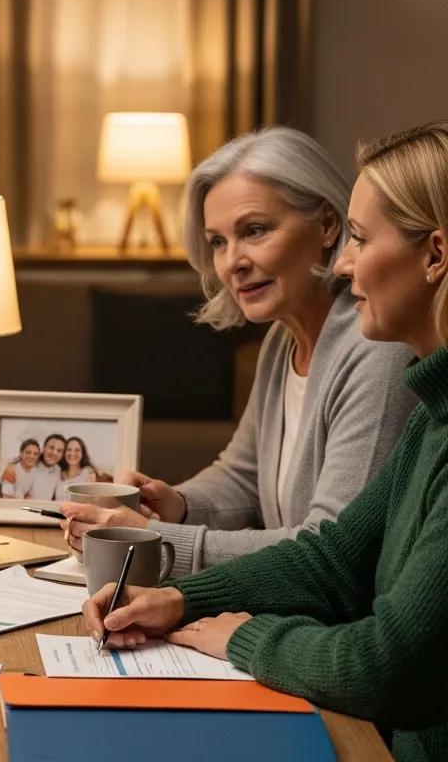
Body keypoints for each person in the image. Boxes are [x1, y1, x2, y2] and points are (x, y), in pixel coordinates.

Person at [85, 120, 448, 762]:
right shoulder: (437, 405)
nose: (348, 268)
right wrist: (179, 598)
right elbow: (331, 554)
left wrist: (247, 635)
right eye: (218, 240)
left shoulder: (396, 368)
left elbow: (384, 661)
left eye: (358, 238)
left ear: (433, 256)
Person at [61, 127, 416, 577]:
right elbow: (241, 476)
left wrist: (157, 541)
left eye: (255, 230)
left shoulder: (375, 350)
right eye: (218, 242)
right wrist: (173, 502)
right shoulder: (280, 338)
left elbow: (331, 548)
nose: (233, 262)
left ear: (328, 225)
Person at [53, 435, 97, 500]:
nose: (72, 453)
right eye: (69, 449)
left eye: (77, 450)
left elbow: (91, 501)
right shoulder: (58, 472)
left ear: (83, 453)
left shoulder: (88, 474)